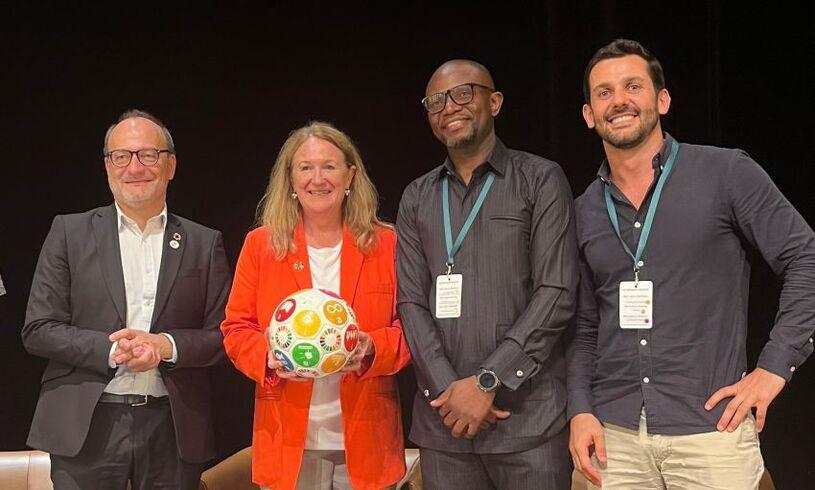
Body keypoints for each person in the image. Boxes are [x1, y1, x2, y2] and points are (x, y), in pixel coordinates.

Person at [568, 39, 815, 489]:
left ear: (661, 100)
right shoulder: (584, 209)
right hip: (614, 437)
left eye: (632, 86)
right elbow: (586, 325)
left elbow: (806, 256)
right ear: (589, 114)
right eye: (603, 92)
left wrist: (775, 366)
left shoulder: (725, 173)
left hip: (710, 431)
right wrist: (581, 407)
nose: (618, 100)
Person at [22, 109, 232, 489]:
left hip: (173, 427)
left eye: (148, 155)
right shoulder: (69, 232)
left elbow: (223, 335)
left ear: (170, 165)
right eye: (122, 156)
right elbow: (38, 329)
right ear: (107, 166)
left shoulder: (204, 242)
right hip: (85, 428)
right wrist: (110, 348)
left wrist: (164, 346)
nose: (135, 167)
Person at [396, 60, 578, 489]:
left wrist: (487, 380)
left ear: (493, 102)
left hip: (528, 422)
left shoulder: (541, 179)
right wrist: (450, 393)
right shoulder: (417, 196)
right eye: (436, 101)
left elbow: (557, 292)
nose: (449, 107)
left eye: (463, 93)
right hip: (445, 427)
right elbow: (410, 302)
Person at [221, 121, 411, 490]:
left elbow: (413, 329)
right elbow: (236, 328)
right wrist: (268, 357)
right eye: (305, 167)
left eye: (329, 166)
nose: (317, 178)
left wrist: (374, 349)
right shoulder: (262, 246)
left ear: (350, 175)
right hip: (289, 446)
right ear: (290, 179)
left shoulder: (387, 245)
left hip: (368, 442)